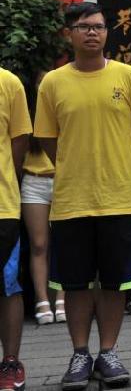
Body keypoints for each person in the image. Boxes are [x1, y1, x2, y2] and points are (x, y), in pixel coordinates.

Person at [34, 2, 131, 389]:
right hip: (72, 200)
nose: (92, 33)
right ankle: (81, 353)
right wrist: (77, 167)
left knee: (116, 282)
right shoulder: (53, 83)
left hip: (122, 196)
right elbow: (49, 142)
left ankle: (110, 351)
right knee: (76, 282)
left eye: (98, 27)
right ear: (70, 33)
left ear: (107, 32)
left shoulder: (130, 77)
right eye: (83, 27)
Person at [21, 71, 65, 325]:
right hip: (33, 181)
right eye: (39, 83)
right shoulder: (28, 112)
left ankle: (62, 299)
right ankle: (41, 301)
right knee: (39, 244)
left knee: (64, 243)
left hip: (62, 179)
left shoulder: (61, 108)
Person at [0, 66, 29, 390]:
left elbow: (19, 142)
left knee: (8, 285)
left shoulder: (8, 83)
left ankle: (10, 361)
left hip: (2, 204)